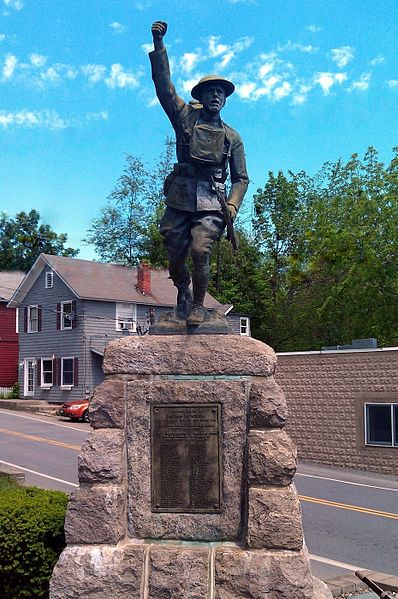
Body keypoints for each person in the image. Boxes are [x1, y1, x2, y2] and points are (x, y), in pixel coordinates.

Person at [149, 21, 249, 325]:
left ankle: (197, 305)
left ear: (225, 98)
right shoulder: (184, 118)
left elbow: (241, 178)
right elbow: (164, 88)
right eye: (210, 92)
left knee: (200, 248)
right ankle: (182, 292)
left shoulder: (233, 137)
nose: (216, 96)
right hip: (180, 196)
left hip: (212, 201)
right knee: (175, 252)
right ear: (202, 96)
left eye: (221, 92)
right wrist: (159, 46)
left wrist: (231, 205)